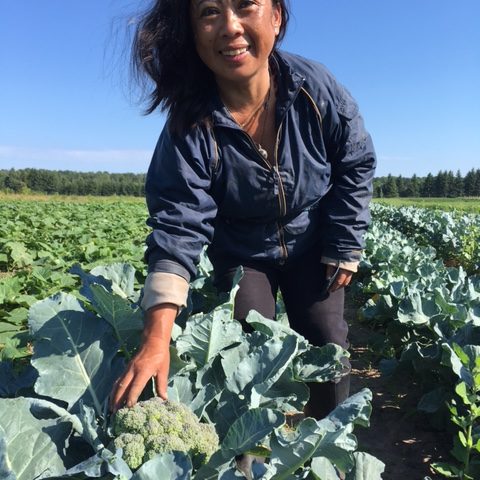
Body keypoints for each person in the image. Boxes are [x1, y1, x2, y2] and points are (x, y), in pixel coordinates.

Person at [110, 0, 376, 420]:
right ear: (194, 34)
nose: (230, 26)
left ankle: (328, 441)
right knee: (245, 349)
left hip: (313, 240)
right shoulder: (191, 125)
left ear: (276, 17)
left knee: (328, 342)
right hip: (242, 252)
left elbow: (355, 162)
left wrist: (345, 241)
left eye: (245, 6)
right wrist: (157, 336)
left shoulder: (314, 88)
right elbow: (178, 224)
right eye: (209, 12)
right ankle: (243, 458)